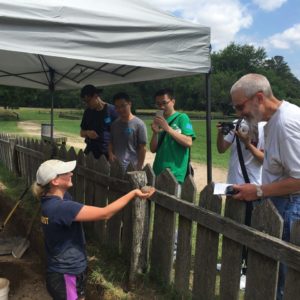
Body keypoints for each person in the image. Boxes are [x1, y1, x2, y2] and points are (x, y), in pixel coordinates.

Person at [32, 159, 155, 300]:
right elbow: (105, 213)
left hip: (68, 271)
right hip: (66, 275)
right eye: (66, 172)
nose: (71, 173)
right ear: (55, 181)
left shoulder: (49, 200)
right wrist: (134, 193)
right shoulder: (62, 208)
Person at [229, 73, 300, 299]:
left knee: (284, 280)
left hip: (290, 206)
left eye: (241, 106)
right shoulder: (273, 120)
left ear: (259, 97)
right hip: (283, 204)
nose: (239, 114)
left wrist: (258, 190)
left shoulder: (285, 124)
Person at [216, 118, 265, 289]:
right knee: (233, 225)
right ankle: (233, 264)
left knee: (249, 230)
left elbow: (264, 159)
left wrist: (247, 143)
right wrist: (221, 132)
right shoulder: (237, 122)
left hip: (252, 185)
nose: (238, 109)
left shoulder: (263, 126)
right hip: (233, 183)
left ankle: (246, 270)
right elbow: (221, 149)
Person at [150, 88, 196, 190]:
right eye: (158, 104)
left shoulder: (182, 117)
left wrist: (168, 129)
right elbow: (153, 149)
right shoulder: (160, 120)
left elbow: (188, 142)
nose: (161, 107)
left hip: (176, 174)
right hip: (158, 171)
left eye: (164, 103)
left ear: (173, 102)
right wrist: (155, 133)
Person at [108, 92, 147, 171]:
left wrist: (139, 166)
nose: (120, 109)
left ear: (129, 104)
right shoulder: (114, 124)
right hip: (116, 166)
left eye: (123, 106)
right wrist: (110, 153)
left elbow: (142, 148)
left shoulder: (139, 124)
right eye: (117, 107)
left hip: (132, 167)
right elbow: (110, 142)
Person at [80, 84, 118, 159]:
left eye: (88, 101)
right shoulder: (87, 112)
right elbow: (81, 133)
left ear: (95, 96)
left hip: (108, 154)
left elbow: (118, 134)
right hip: (90, 153)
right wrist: (87, 133)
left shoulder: (112, 111)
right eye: (85, 102)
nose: (87, 104)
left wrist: (112, 153)